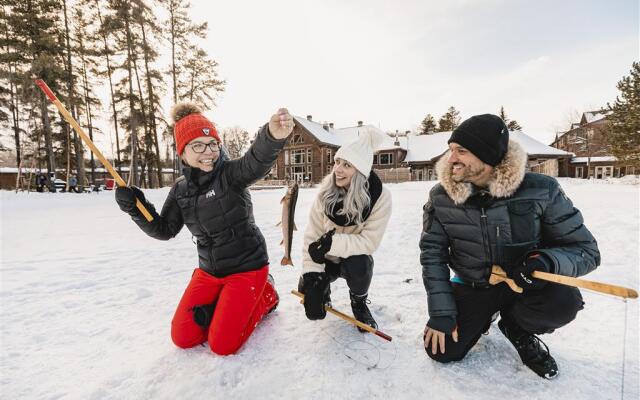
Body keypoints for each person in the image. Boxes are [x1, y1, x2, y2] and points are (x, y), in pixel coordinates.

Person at [420, 114, 600, 379]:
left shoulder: (541, 190)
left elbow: (586, 250)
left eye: (461, 151)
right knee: (442, 350)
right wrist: (441, 312)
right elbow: (432, 255)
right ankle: (483, 316)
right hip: (474, 284)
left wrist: (545, 262)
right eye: (451, 150)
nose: (452, 159)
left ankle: (516, 327)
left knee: (563, 303)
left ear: (489, 156)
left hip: (526, 284)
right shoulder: (441, 196)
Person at [115, 103, 293, 355]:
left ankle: (267, 294)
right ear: (183, 152)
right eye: (197, 145)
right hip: (209, 270)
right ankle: (224, 302)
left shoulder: (231, 174)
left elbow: (256, 162)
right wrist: (134, 207)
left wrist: (272, 136)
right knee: (184, 337)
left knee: (222, 345)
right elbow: (164, 229)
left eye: (212, 144)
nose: (208, 152)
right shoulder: (180, 190)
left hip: (247, 267)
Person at [298, 130, 392, 331]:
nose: (337, 170)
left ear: (360, 172)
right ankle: (324, 288)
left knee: (361, 264)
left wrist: (333, 243)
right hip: (326, 259)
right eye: (337, 162)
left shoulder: (380, 197)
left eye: (347, 165)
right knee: (307, 288)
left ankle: (358, 302)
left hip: (352, 260)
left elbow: (369, 241)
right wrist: (312, 276)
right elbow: (311, 236)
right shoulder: (325, 194)